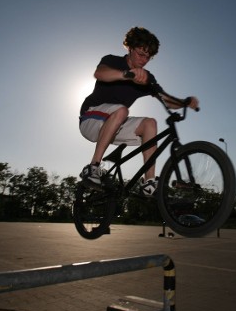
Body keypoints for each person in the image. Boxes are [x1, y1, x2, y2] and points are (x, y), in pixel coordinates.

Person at [78, 27, 199, 196]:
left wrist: (184, 102)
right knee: (122, 110)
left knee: (150, 123)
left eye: (148, 57)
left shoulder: (147, 77)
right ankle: (93, 167)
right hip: (91, 118)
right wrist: (127, 75)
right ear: (130, 48)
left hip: (115, 124)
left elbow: (166, 100)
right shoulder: (112, 60)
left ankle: (148, 183)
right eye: (141, 54)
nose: (144, 60)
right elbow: (100, 73)